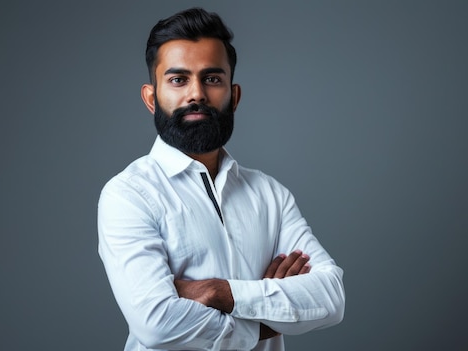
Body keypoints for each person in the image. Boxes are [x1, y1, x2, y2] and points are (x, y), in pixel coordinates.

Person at [97, 7, 345, 351]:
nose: (196, 93)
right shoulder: (128, 195)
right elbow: (156, 324)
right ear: (151, 99)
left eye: (212, 79)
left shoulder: (271, 195)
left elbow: (330, 297)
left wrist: (221, 292)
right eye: (178, 79)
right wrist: (265, 322)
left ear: (235, 96)